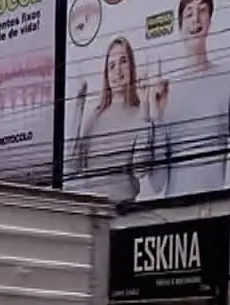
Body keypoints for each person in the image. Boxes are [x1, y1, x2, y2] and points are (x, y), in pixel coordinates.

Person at [148, 0, 230, 198]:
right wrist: (156, 117)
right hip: (171, 214)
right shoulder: (165, 92)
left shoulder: (228, 80)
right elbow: (157, 182)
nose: (196, 19)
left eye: (202, 11)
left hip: (215, 210)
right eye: (189, 13)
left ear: (210, 20)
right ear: (180, 25)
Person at [68, 38, 162, 202]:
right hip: (92, 214)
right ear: (106, 74)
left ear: (131, 67)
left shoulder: (139, 115)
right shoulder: (95, 116)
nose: (117, 71)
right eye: (111, 66)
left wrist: (145, 104)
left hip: (124, 213)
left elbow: (140, 170)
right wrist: (78, 103)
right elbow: (72, 166)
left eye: (123, 62)